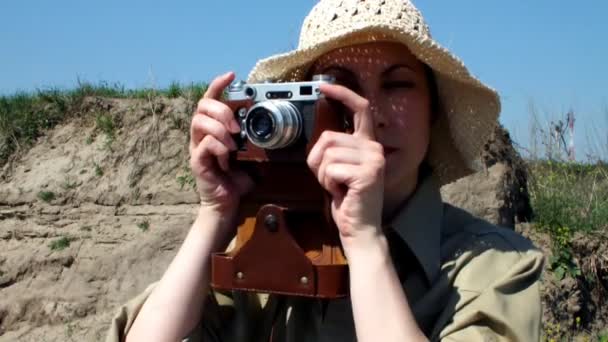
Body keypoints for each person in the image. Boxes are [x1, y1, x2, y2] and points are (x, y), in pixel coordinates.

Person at [106, 0, 544, 341]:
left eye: (397, 85)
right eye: (340, 89)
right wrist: (213, 216)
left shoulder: (496, 266)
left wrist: (365, 242)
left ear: (434, 112)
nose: (369, 113)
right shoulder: (269, 247)